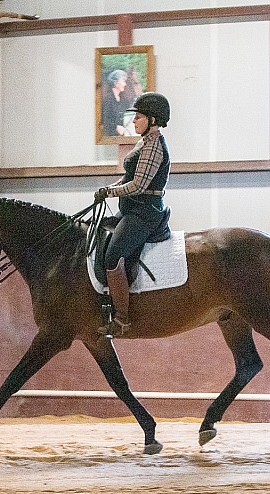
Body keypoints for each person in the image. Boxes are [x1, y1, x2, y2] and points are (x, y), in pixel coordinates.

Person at [94, 92, 172, 336]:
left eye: (138, 117)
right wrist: (111, 188)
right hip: (131, 208)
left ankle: (122, 319)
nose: (134, 121)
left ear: (153, 119)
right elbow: (129, 178)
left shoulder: (155, 146)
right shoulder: (144, 142)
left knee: (113, 254)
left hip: (144, 212)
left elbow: (138, 186)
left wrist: (110, 192)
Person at [101, 69, 130, 136]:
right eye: (123, 81)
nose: (125, 84)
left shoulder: (123, 100)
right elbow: (105, 121)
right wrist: (116, 127)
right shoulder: (108, 100)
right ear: (115, 82)